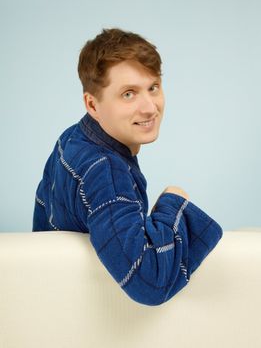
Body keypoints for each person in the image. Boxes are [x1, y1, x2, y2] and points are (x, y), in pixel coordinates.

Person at [32, 28, 223, 306]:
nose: (149, 108)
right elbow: (150, 283)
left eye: (153, 87)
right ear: (92, 104)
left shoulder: (72, 137)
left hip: (56, 299)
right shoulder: (105, 170)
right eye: (129, 94)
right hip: (83, 315)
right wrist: (173, 202)